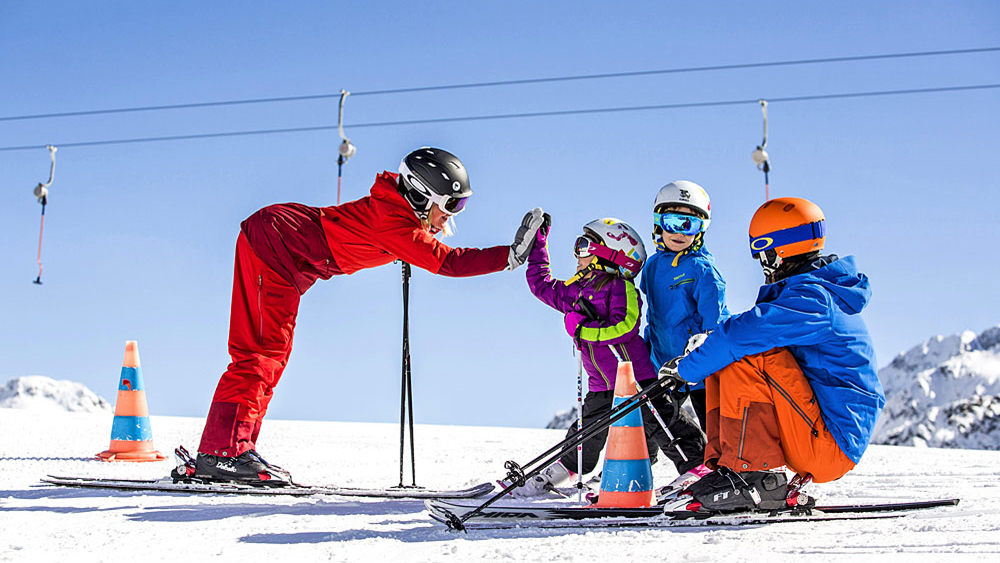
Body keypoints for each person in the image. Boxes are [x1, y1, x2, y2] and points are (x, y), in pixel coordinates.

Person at [188, 147, 547, 483]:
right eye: (451, 204)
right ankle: (223, 453)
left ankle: (238, 449)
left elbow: (418, 242)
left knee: (272, 357)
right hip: (276, 244)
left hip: (286, 252)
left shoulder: (398, 215)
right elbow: (448, 263)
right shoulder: (394, 222)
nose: (453, 214)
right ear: (420, 196)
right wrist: (510, 255)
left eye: (461, 204)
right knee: (260, 354)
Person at [659, 197, 885, 513]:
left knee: (744, 353)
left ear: (777, 251)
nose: (762, 263)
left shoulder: (813, 301)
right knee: (726, 352)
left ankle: (753, 473)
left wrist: (686, 370)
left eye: (761, 254)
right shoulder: (810, 295)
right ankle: (730, 467)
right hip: (816, 432)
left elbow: (738, 336)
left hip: (830, 445)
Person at [508, 217, 706, 497]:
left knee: (663, 420)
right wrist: (539, 243)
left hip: (635, 378)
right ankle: (566, 469)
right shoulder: (576, 290)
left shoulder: (620, 288)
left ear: (610, 254)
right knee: (587, 429)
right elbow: (541, 284)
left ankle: (697, 467)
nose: (578, 253)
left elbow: (625, 326)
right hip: (601, 383)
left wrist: (581, 329)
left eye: (585, 246)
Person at [639, 181, 729, 431]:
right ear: (659, 223)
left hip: (698, 365)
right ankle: (639, 466)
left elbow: (715, 320)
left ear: (701, 230)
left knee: (713, 424)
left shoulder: (703, 270)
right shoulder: (652, 266)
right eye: (672, 223)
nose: (679, 233)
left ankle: (719, 465)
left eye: (689, 225)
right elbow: (654, 314)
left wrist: (706, 346)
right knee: (653, 423)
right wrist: (645, 348)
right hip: (663, 363)